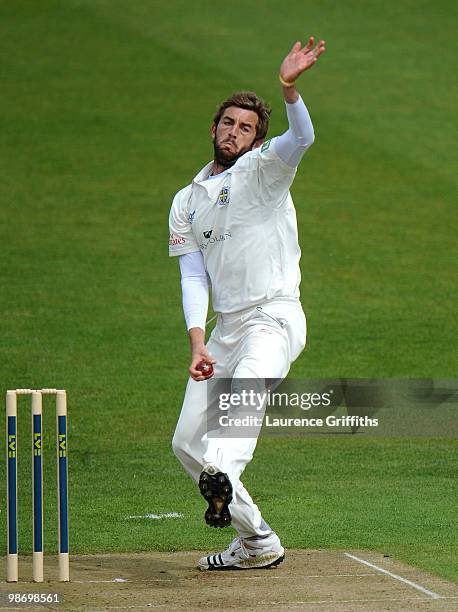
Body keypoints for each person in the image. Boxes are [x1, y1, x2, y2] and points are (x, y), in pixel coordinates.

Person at [169, 36, 326, 570]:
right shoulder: (186, 201)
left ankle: (223, 468)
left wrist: (288, 88)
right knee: (187, 443)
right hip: (225, 329)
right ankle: (258, 541)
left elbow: (301, 136)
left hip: (274, 317)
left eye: (245, 127)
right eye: (228, 123)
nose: (234, 132)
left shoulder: (265, 170)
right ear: (213, 128)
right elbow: (193, 274)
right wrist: (197, 342)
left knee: (243, 394)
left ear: (256, 138)